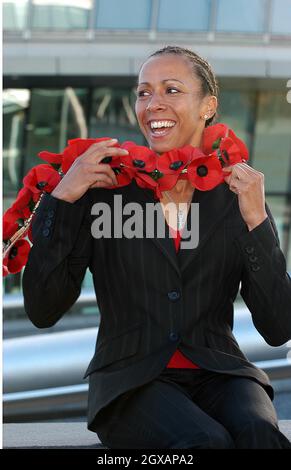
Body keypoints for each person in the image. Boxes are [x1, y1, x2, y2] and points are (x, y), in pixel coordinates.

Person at [22, 45, 291, 449]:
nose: (152, 104)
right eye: (143, 92)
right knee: (205, 442)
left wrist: (257, 222)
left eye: (171, 90)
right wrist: (62, 199)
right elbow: (43, 309)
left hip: (220, 371)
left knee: (260, 435)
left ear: (208, 105)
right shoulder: (104, 190)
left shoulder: (237, 193)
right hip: (129, 381)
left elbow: (278, 327)